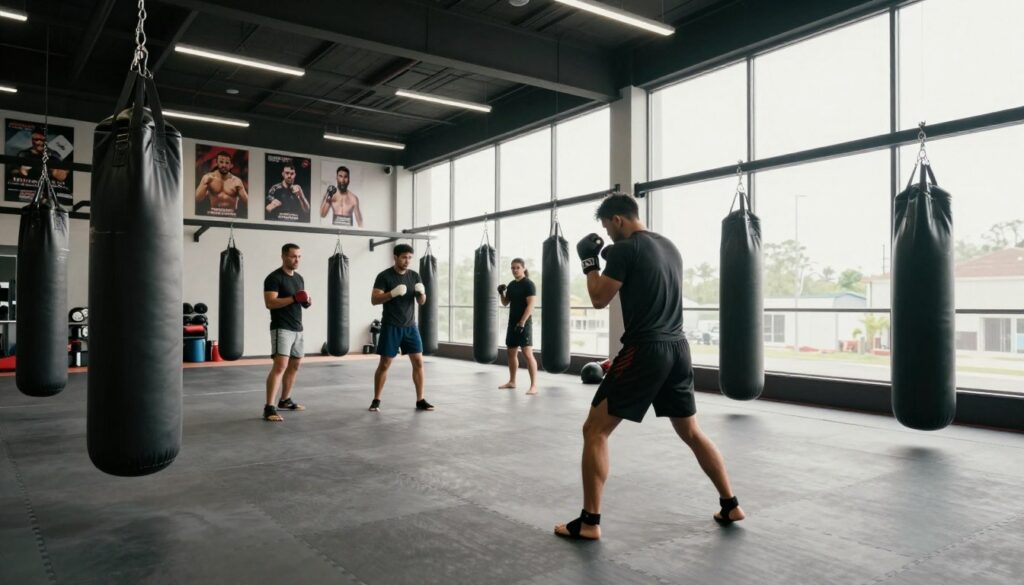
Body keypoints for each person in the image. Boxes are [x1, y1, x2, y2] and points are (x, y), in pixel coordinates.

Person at [554, 193, 744, 540]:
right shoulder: (669, 246)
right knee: (691, 432)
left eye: (608, 229)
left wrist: (588, 263)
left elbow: (598, 298)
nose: (609, 237)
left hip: (645, 349)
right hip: (678, 348)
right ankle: (730, 503)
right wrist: (611, 256)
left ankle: (589, 522)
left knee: (594, 430)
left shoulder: (627, 249)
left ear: (618, 220)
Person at [369, 243, 433, 412]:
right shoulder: (384, 276)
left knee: (419, 362)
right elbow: (374, 299)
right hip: (391, 326)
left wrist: (422, 293)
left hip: (411, 326)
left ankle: (420, 400)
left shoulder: (414, 276)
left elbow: (421, 302)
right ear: (395, 257)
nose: (407, 261)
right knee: (385, 364)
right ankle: (376, 400)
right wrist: (392, 293)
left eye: (410, 258)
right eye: (404, 257)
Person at [262, 243, 312, 422]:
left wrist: (306, 301)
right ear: (283, 256)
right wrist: (293, 298)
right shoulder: (274, 278)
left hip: (298, 327)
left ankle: (285, 400)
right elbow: (270, 303)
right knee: (280, 367)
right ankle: (269, 407)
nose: (296, 259)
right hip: (281, 328)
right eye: (293, 256)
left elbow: (300, 300)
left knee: (295, 365)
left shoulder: (299, 278)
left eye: (299, 256)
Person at [498, 258, 538, 395]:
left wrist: (522, 322)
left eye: (517, 267)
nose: (515, 270)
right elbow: (505, 303)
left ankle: (534, 386)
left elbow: (531, 305)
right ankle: (512, 381)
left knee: (527, 353)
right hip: (512, 323)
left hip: (524, 324)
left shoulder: (529, 284)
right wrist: (501, 293)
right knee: (511, 353)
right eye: (513, 268)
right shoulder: (512, 285)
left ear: (523, 269)